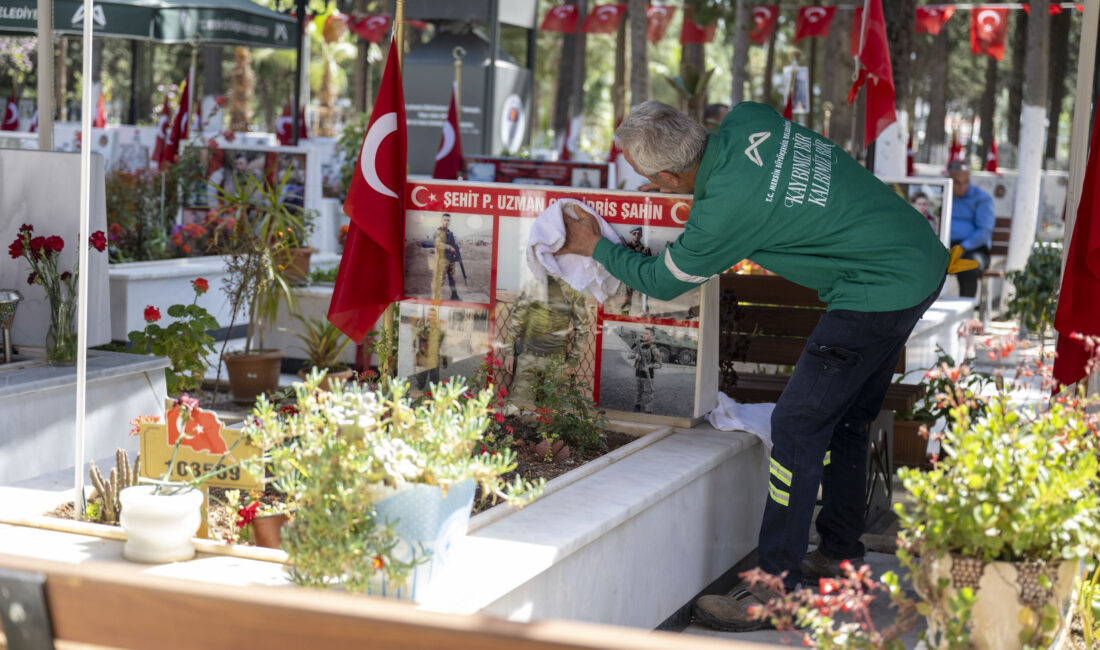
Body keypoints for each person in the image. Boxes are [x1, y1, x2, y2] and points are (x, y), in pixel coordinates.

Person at [556, 100, 950, 632]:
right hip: (917, 257)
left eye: (659, 180)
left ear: (668, 174)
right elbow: (758, 187)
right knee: (847, 421)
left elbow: (664, 282)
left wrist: (596, 247)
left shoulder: (722, 213)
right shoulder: (750, 119)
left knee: (796, 426)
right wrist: (689, 191)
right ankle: (838, 554)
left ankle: (775, 591)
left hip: (875, 291)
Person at [504, 276, 591, 405]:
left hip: (554, 361)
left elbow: (583, 328)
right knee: (518, 410)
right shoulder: (532, 285)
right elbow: (517, 321)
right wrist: (509, 353)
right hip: (530, 357)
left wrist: (571, 363)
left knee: (549, 415)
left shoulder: (572, 289)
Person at [946, 160, 995, 298]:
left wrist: (963, 247)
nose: (962, 187)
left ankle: (966, 312)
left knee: (969, 267)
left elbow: (984, 232)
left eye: (966, 181)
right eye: (957, 182)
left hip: (972, 248)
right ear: (948, 178)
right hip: (944, 245)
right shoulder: (940, 194)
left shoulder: (981, 198)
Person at [421, 213, 463, 301]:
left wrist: (457, 254)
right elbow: (437, 244)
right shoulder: (438, 232)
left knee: (453, 279)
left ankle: (454, 295)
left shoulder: (450, 233)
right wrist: (448, 247)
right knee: (439, 280)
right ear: (441, 220)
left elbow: (454, 245)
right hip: (442, 260)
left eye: (448, 220)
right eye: (445, 220)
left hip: (451, 260)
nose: (446, 222)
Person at [629, 327, 662, 413]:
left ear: (652, 336)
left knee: (648, 395)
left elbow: (659, 364)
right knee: (637, 392)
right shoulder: (638, 345)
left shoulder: (654, 349)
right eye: (644, 333)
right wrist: (635, 355)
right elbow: (630, 355)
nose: (644, 335)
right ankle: (637, 406)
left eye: (647, 334)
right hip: (638, 374)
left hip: (648, 376)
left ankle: (648, 411)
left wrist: (649, 366)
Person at [620, 226, 653, 314]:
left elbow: (650, 265)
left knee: (642, 300)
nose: (636, 236)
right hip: (629, 277)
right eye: (634, 233)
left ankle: (644, 316)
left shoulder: (645, 250)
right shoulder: (625, 248)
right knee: (627, 298)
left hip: (641, 279)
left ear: (641, 235)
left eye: (639, 234)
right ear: (631, 235)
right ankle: (624, 316)